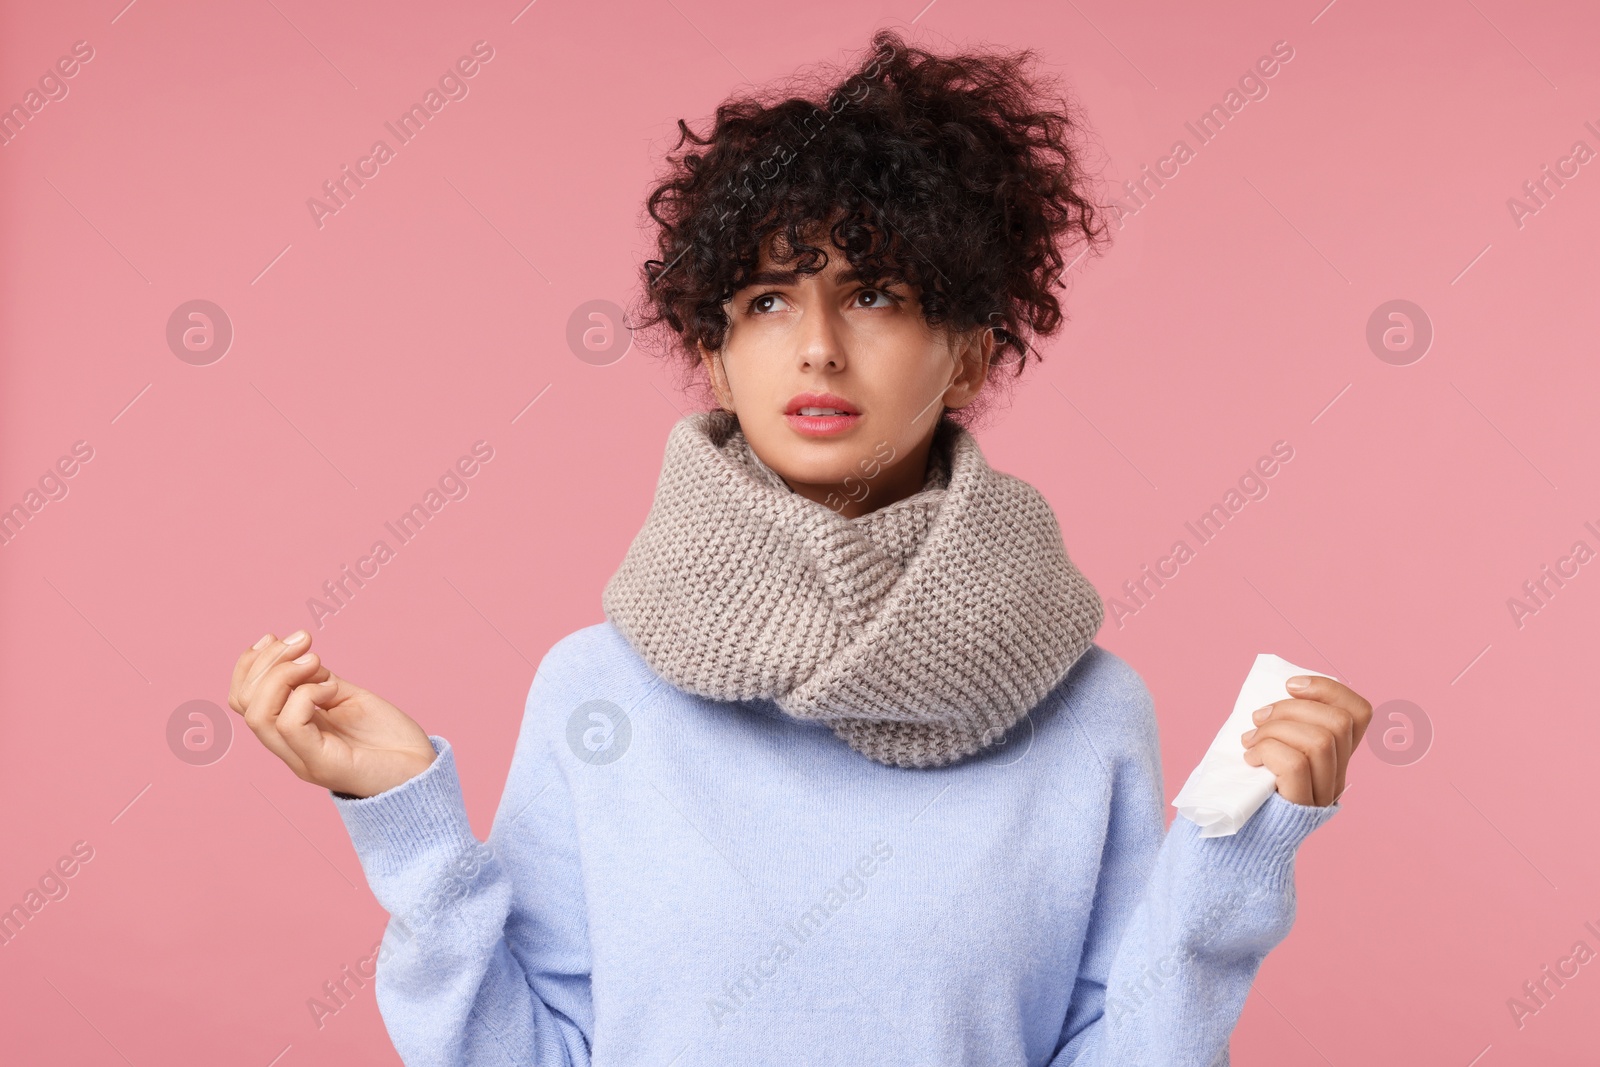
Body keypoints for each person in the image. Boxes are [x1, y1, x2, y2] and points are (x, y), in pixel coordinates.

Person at [226, 30, 1372, 1067]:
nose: (817, 347)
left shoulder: (1090, 709)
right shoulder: (594, 690)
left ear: (971, 355)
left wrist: (1229, 868)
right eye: (768, 300)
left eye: (872, 291)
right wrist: (411, 822)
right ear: (713, 356)